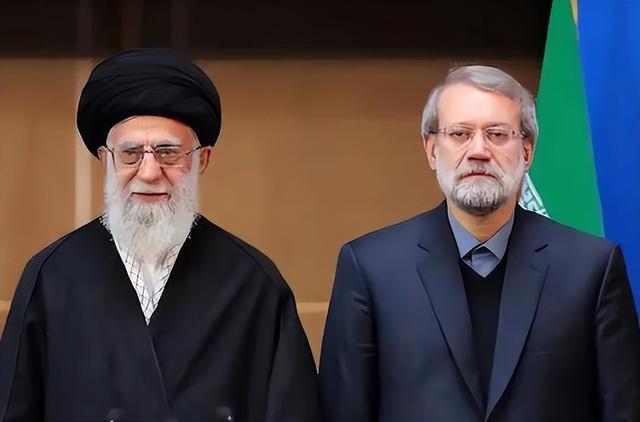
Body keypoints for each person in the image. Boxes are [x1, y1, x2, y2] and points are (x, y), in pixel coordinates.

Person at [0, 48, 322, 422]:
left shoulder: (252, 282)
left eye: (168, 152)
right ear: (106, 159)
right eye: (131, 153)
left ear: (201, 160)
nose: (150, 172)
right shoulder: (52, 276)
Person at [319, 65, 640, 422]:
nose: (478, 151)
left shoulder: (592, 268)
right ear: (431, 150)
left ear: (527, 151)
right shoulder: (370, 268)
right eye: (460, 133)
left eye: (497, 134)